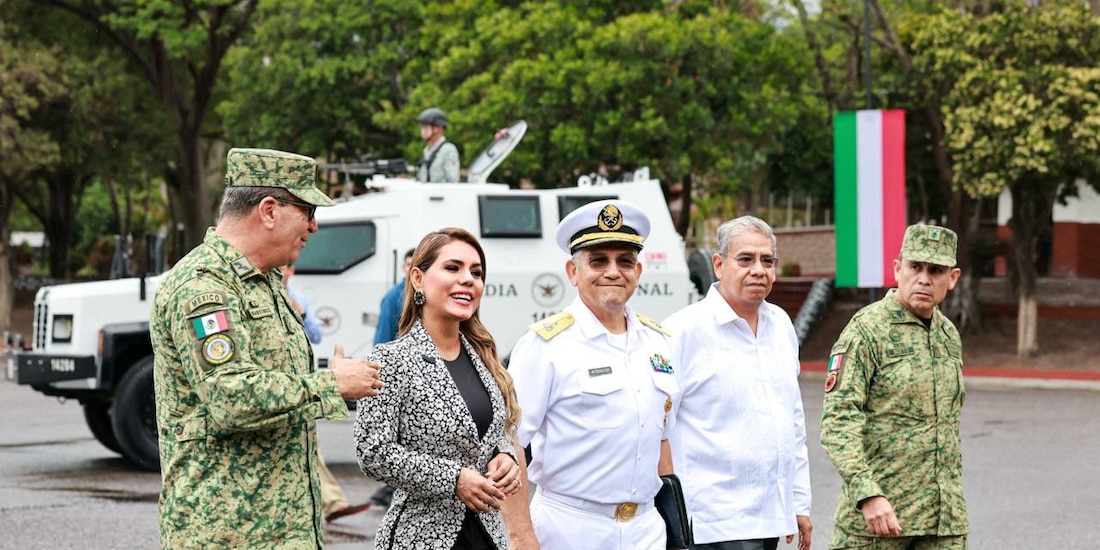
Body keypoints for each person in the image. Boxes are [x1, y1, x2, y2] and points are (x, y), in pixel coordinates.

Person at [151, 147, 384, 549]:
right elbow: (231, 397)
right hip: (228, 534)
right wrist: (329, 383)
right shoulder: (204, 286)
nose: (314, 227)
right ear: (270, 210)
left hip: (283, 530)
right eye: (308, 212)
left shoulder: (266, 280)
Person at [509, 199, 681, 549]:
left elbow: (661, 439)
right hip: (570, 528)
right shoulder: (544, 346)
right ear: (573, 272)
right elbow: (509, 444)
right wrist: (520, 535)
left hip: (646, 529)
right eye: (599, 261)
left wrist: (675, 525)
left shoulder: (659, 343)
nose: (613, 272)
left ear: (638, 272)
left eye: (625, 261)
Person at [354, 228, 528, 549]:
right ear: (418, 278)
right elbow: (373, 451)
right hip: (420, 537)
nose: (468, 279)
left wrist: (505, 458)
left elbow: (490, 436)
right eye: (453, 268)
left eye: (476, 273)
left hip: (488, 536)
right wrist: (453, 480)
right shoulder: (390, 358)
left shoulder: (484, 356)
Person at [663, 216, 812, 550]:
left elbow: (793, 422)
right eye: (745, 259)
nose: (758, 269)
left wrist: (798, 502)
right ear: (718, 264)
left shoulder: (781, 325)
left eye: (767, 260)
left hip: (769, 515)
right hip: (713, 522)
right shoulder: (684, 331)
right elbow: (659, 429)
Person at [821, 224, 968, 549]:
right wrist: (867, 494)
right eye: (915, 267)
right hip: (877, 523)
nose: (924, 278)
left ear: (952, 278)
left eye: (936, 270)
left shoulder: (947, 335)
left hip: (943, 523)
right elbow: (838, 423)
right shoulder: (867, 330)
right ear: (898, 269)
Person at [282, 262, 373, 523]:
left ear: (292, 272)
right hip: (286, 385)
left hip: (302, 380)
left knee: (311, 444)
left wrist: (300, 312)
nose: (283, 273)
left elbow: (316, 334)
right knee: (309, 446)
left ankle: (330, 503)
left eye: (287, 269)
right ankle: (329, 503)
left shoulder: (297, 298)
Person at [367, 248, 415, 509]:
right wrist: (380, 373)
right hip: (397, 374)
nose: (410, 269)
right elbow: (383, 340)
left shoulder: (427, 296)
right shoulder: (393, 298)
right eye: (407, 264)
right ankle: (390, 489)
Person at [374, 248, 416, 346]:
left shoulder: (429, 294)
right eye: (409, 264)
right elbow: (383, 337)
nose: (411, 269)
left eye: (416, 264)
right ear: (403, 267)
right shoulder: (392, 298)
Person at [416, 107, 460, 183]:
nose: (422, 131)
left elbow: (453, 181)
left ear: (438, 128)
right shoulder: (427, 150)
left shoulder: (447, 150)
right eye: (422, 127)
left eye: (426, 127)